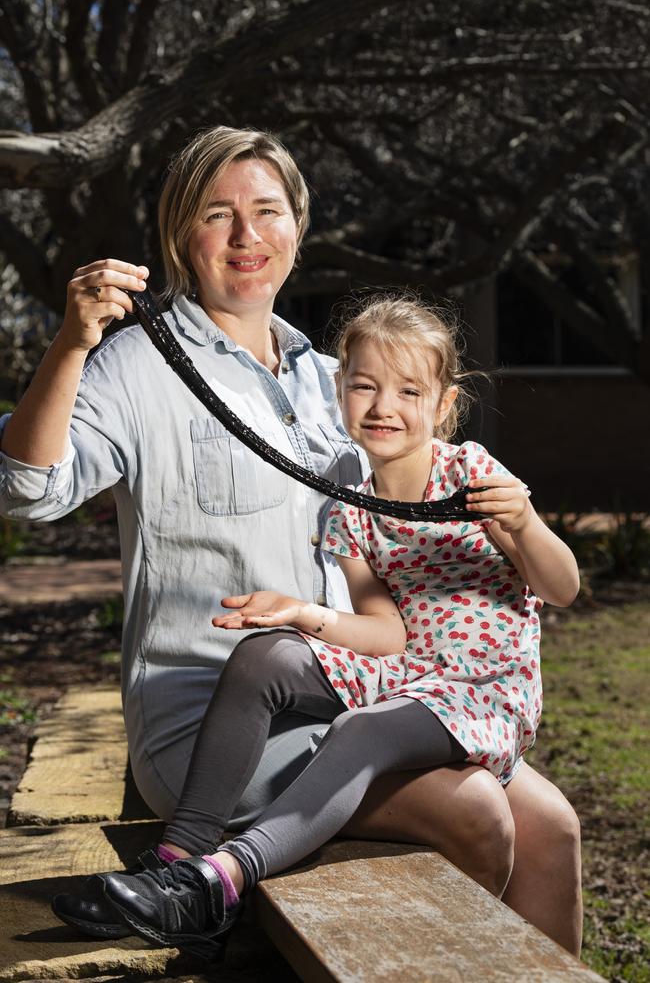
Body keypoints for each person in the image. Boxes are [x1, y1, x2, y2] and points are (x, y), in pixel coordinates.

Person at [0, 125, 583, 954]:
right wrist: (71, 342)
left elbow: (405, 545)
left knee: (554, 827)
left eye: (267, 211)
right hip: (215, 725)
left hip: (360, 692)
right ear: (180, 235)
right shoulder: (135, 364)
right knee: (477, 812)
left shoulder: (330, 381)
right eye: (218, 213)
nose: (247, 236)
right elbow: (29, 489)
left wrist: (508, 519)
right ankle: (229, 889)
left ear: (297, 230)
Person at [89, 295, 579, 959]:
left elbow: (562, 587)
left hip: (483, 694)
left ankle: (223, 880)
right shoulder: (353, 509)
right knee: (267, 656)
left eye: (409, 390)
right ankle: (178, 857)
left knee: (359, 730)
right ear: (339, 392)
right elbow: (387, 635)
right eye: (364, 386)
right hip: (414, 674)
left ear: (443, 405)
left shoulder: (472, 475)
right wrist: (299, 615)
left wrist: (523, 526)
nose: (384, 406)